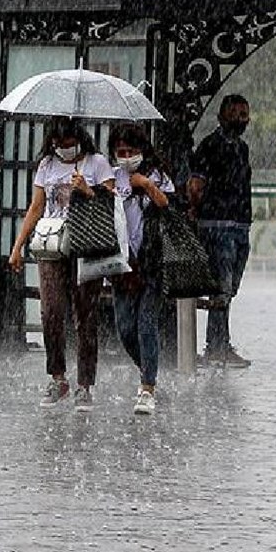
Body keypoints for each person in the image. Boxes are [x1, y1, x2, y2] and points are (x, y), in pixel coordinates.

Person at [9, 116, 115, 411]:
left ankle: (85, 383)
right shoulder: (47, 165)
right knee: (51, 311)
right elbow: (36, 206)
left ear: (78, 138)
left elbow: (112, 204)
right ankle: (58, 377)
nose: (63, 149)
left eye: (67, 143)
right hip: (53, 244)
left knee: (85, 315)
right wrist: (19, 245)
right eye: (57, 144)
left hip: (85, 245)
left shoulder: (97, 163)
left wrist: (87, 190)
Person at [108, 123, 174, 415]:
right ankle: (149, 368)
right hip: (123, 264)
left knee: (146, 323)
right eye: (120, 152)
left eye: (131, 151)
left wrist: (146, 184)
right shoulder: (112, 177)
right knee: (125, 327)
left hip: (152, 261)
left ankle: (148, 387)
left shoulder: (157, 174)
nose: (125, 156)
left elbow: (168, 205)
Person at [188, 94, 252, 368]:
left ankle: (219, 342)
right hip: (217, 225)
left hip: (239, 224)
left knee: (229, 287)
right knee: (221, 287)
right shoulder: (210, 147)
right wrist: (198, 211)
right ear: (221, 116)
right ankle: (216, 345)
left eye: (244, 114)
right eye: (235, 113)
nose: (241, 119)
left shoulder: (242, 148)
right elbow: (196, 185)